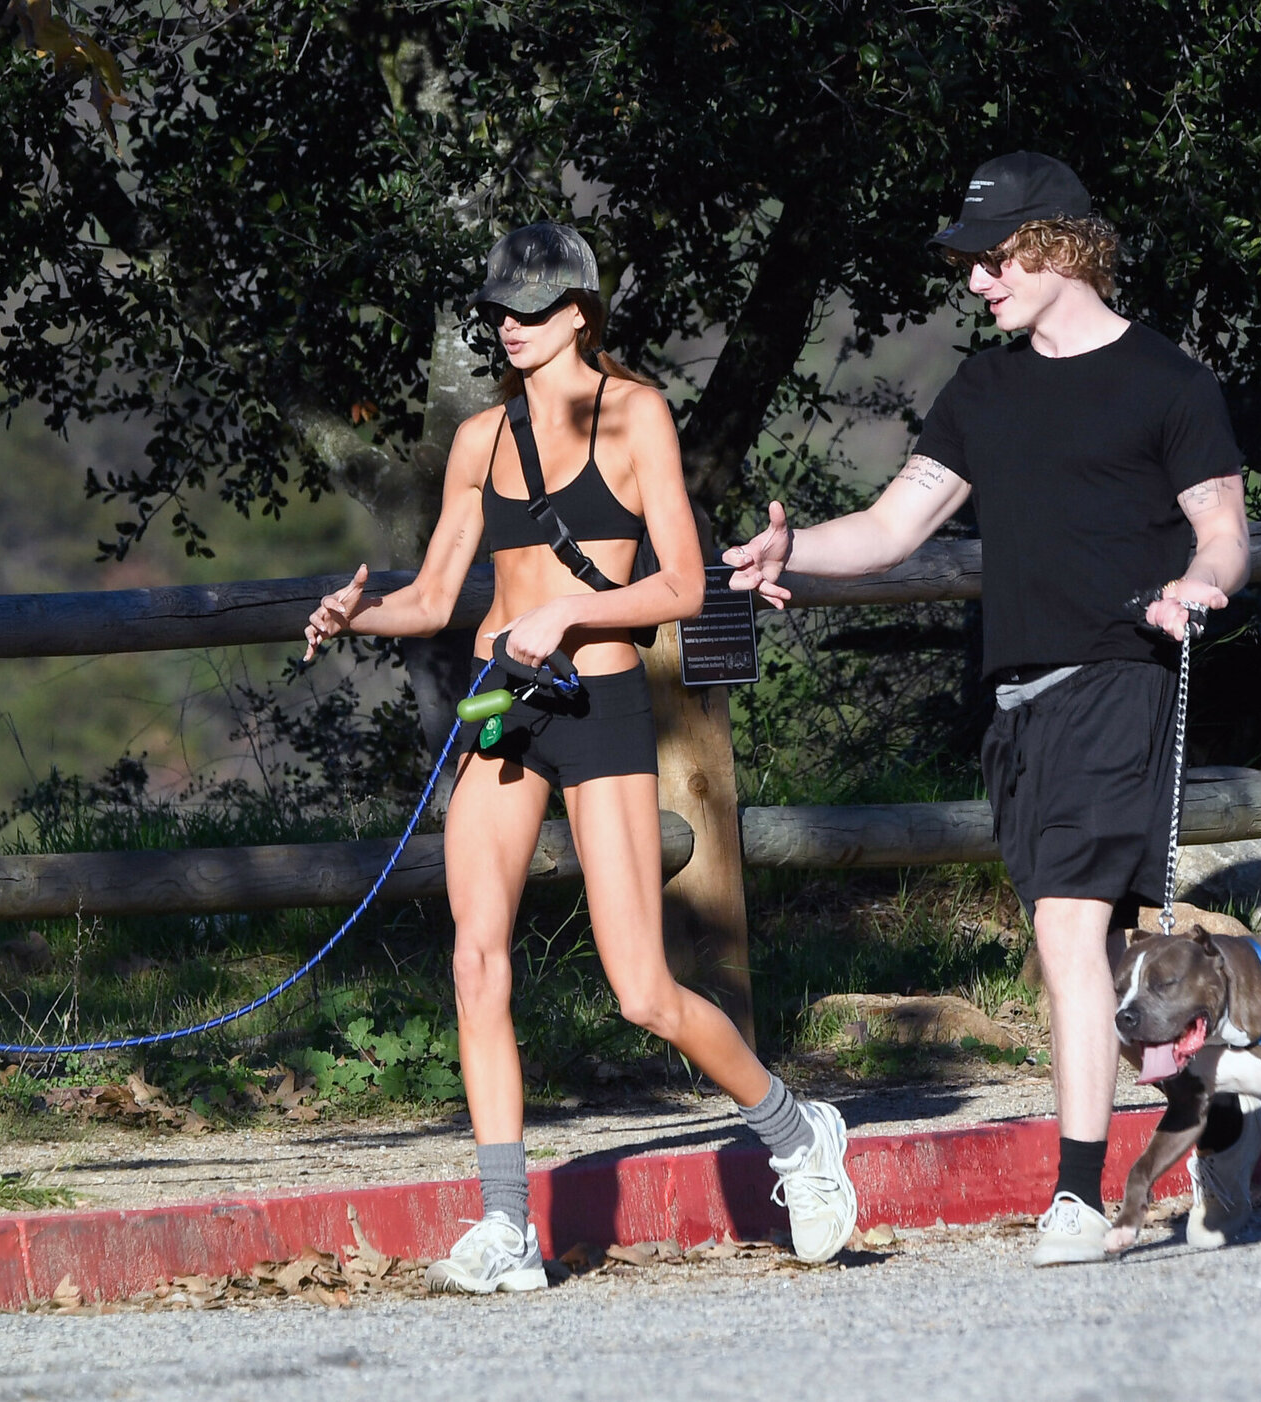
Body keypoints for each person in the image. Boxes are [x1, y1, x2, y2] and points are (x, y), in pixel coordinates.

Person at [723, 154, 1259, 1266]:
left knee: (1065, 928)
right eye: (971, 261)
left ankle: (1076, 1198)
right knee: (1100, 953)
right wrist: (792, 550)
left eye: (997, 256)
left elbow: (1223, 531)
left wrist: (1197, 584)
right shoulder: (984, 391)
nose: (978, 280)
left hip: (1119, 678)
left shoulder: (1168, 382)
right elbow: (891, 528)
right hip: (1016, 710)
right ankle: (1220, 1116)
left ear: (1062, 245)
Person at [305, 224, 858, 1293]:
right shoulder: (481, 438)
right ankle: (507, 1225)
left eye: (531, 308)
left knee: (641, 987)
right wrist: (356, 612)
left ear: (579, 314)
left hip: (598, 699)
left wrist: (569, 611)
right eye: (499, 311)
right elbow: (434, 595)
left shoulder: (635, 414)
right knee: (476, 958)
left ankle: (797, 1132)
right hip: (504, 705)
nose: (510, 326)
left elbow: (684, 585)